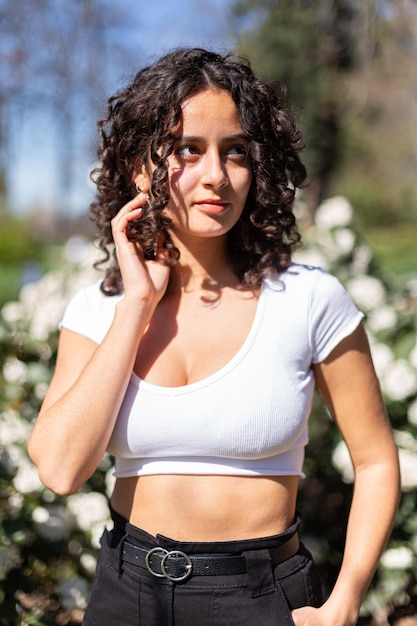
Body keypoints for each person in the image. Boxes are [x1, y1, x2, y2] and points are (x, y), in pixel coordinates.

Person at [28, 48, 400, 626]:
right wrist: (137, 305)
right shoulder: (99, 311)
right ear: (140, 169)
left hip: (262, 596)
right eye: (187, 150)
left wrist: (345, 601)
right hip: (126, 594)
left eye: (236, 152)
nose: (216, 176)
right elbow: (59, 469)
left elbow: (376, 459)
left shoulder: (308, 300)